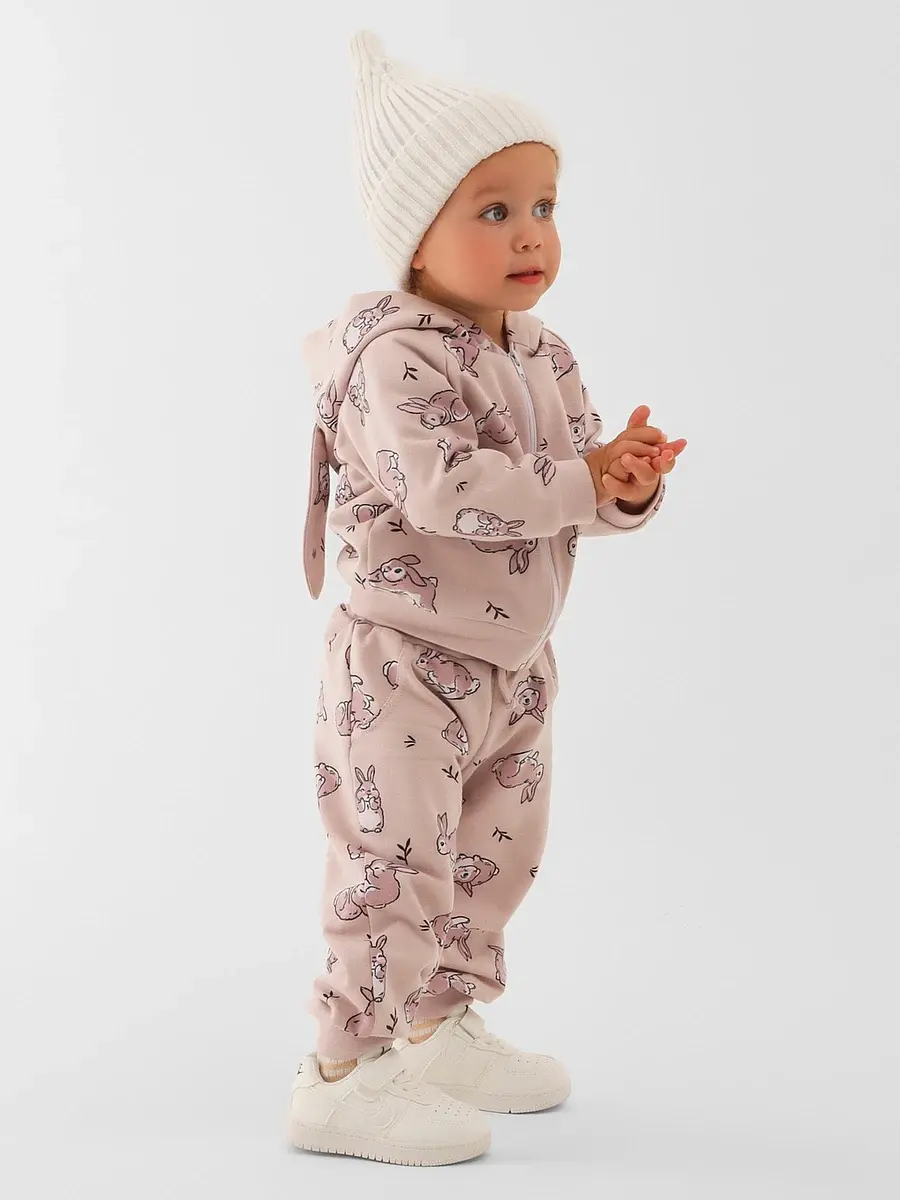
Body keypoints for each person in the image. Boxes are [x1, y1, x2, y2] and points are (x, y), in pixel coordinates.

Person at [288, 30, 687, 1167]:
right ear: (416, 235)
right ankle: (341, 1070)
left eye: (545, 206)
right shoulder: (393, 357)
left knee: (490, 855)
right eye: (496, 210)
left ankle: (438, 1020)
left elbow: (567, 491)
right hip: (402, 662)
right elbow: (448, 490)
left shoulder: (544, 354)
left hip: (512, 663)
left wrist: (624, 486)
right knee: (393, 860)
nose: (532, 235)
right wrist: (579, 480)